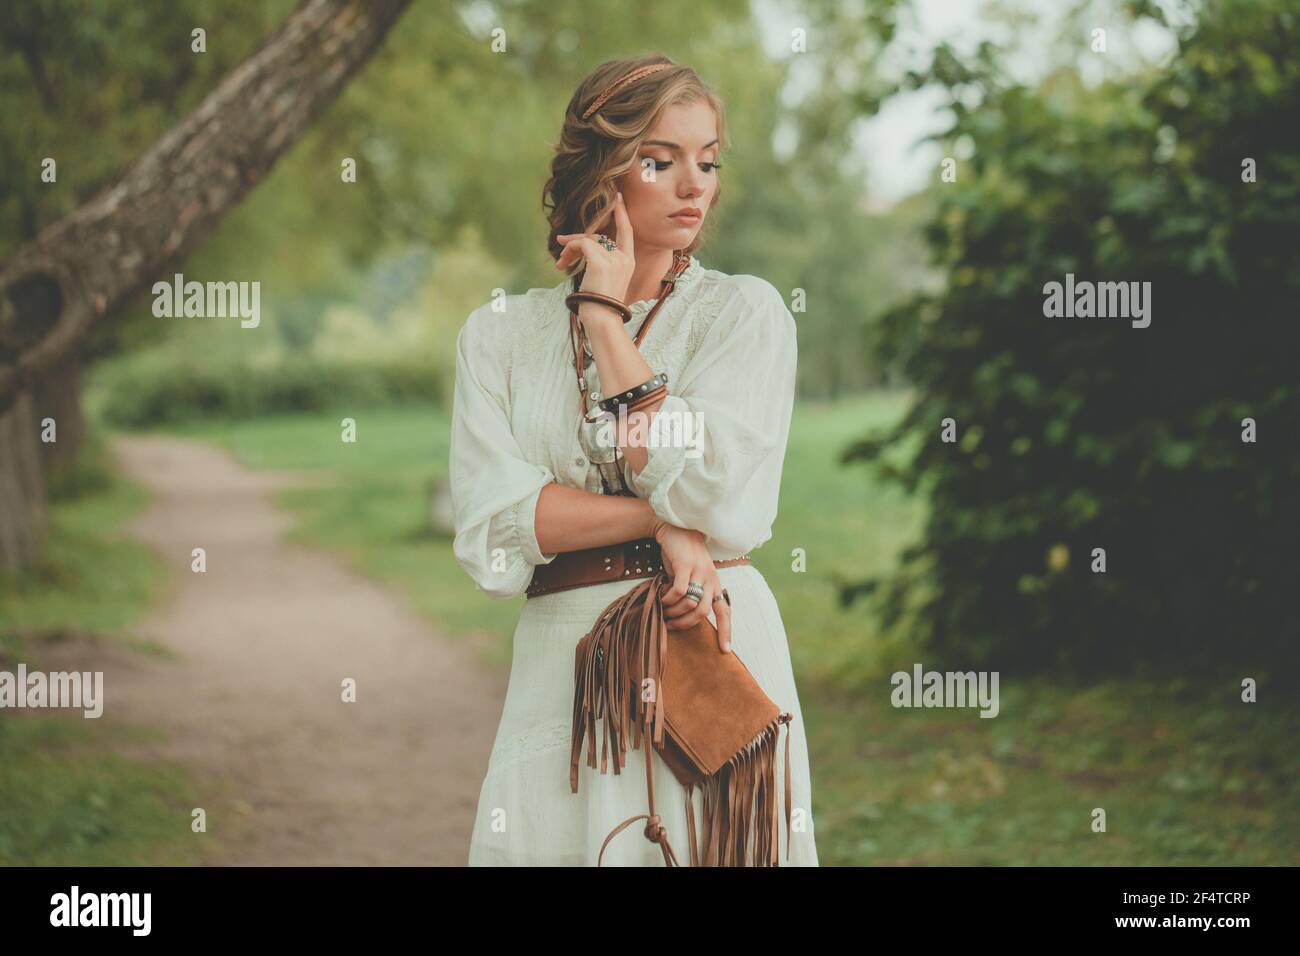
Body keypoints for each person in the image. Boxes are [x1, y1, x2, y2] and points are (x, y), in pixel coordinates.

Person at [451, 53, 818, 865]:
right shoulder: (499, 337)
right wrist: (669, 524)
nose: (695, 186)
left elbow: (725, 493)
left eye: (709, 161)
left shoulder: (744, 315)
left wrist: (607, 320)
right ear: (601, 172)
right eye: (661, 160)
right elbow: (499, 523)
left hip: (712, 644)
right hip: (563, 666)